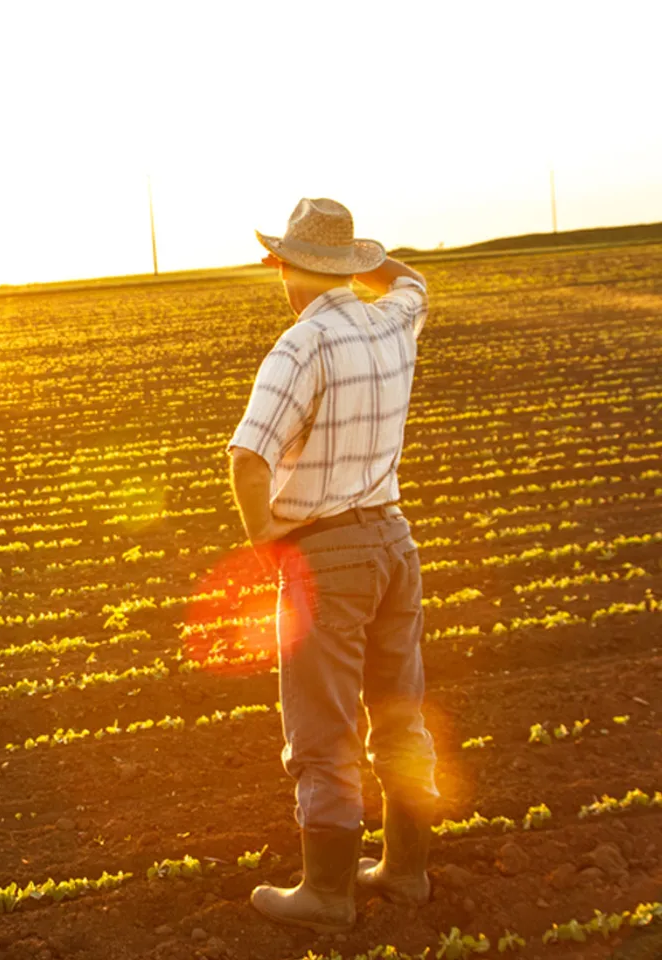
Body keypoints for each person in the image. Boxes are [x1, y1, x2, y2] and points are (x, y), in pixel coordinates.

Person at [226, 198, 440, 933]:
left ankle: (326, 892)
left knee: (321, 726)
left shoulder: (302, 343)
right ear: (347, 265)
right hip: (393, 544)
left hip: (328, 553)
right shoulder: (393, 316)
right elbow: (413, 279)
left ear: (284, 265)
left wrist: (267, 543)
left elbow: (249, 458)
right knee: (399, 714)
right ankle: (407, 872)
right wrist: (360, 259)